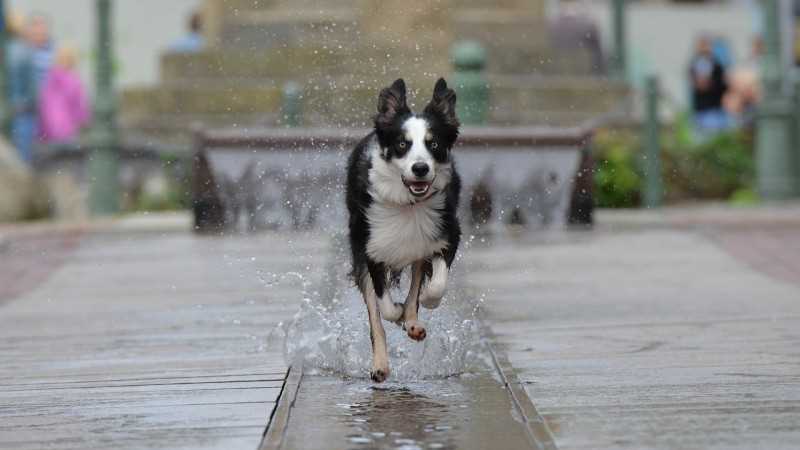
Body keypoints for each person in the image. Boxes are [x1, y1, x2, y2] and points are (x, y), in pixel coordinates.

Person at [38, 45, 90, 144]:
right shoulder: (74, 80)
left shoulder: (49, 78)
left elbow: (43, 103)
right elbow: (79, 106)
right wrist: (84, 121)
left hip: (49, 127)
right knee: (68, 155)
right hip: (68, 127)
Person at [6, 10, 37, 163]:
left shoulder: (6, 51)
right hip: (22, 112)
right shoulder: (25, 51)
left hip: (8, 111)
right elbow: (33, 89)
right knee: (22, 161)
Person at [548, 0, 606, 75]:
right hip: (583, 71)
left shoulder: (553, 24)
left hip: (559, 70)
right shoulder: (587, 24)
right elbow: (599, 54)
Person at [688, 35, 730, 131]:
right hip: (700, 108)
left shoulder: (717, 64)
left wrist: (709, 83)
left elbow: (722, 84)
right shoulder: (693, 64)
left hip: (714, 108)